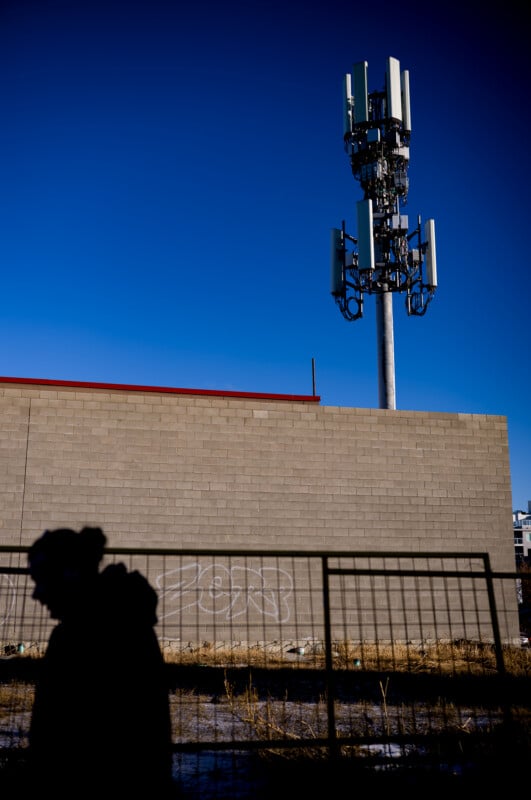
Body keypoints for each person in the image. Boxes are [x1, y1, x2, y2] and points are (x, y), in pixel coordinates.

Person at [27, 526, 175, 797]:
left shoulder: (78, 638)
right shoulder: (129, 625)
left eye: (42, 580)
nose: (36, 594)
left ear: (68, 576)